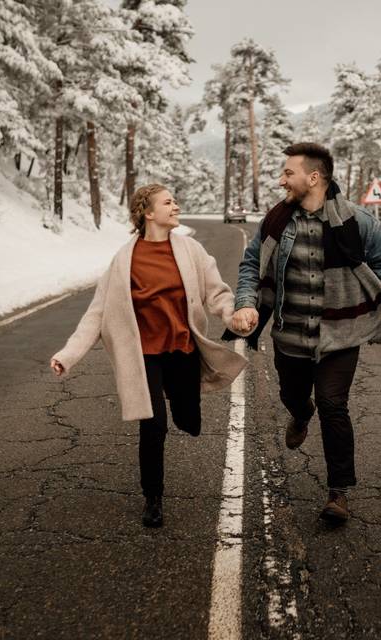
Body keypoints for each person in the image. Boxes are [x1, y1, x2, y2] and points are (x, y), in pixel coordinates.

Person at [50, 184, 247, 528]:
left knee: (188, 418)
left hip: (183, 350)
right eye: (168, 202)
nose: (176, 206)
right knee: (153, 426)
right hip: (144, 356)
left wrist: (234, 316)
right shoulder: (124, 260)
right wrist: (68, 354)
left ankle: (182, 403)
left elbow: (217, 293)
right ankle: (152, 497)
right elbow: (97, 313)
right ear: (148, 213)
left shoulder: (191, 250)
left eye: (175, 200)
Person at [227, 143, 381, 523]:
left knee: (334, 405)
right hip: (290, 335)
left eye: (288, 173)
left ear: (313, 177)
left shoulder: (357, 222)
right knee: (294, 395)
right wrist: (245, 303)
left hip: (340, 336)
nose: (281, 179)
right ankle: (300, 414)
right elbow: (252, 264)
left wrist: (368, 300)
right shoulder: (276, 222)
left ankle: (339, 493)